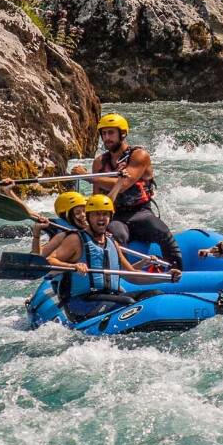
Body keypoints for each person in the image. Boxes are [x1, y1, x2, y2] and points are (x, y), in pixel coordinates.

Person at [44, 194, 180, 321]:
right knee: (129, 303)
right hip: (80, 302)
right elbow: (49, 261)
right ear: (89, 217)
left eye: (105, 214)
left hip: (109, 297)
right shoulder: (76, 239)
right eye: (97, 214)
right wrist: (73, 266)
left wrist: (166, 276)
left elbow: (132, 275)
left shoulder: (112, 242)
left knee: (154, 294)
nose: (101, 218)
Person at [74, 113, 183, 269]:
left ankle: (177, 272)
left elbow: (124, 184)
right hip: (115, 214)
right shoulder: (99, 162)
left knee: (163, 232)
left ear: (122, 134)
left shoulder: (139, 155)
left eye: (111, 133)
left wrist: (88, 177)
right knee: (116, 236)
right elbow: (97, 197)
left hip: (140, 212)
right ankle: (116, 277)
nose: (107, 138)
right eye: (103, 134)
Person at [31, 191, 88, 256]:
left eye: (85, 211)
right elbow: (37, 256)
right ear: (66, 216)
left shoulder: (94, 227)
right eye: (77, 213)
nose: (83, 215)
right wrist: (37, 231)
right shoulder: (60, 234)